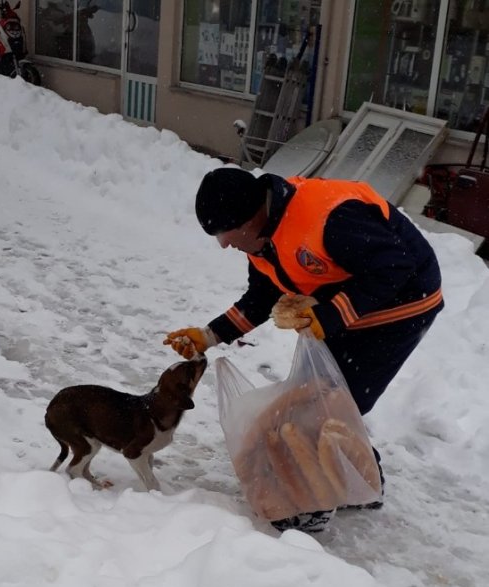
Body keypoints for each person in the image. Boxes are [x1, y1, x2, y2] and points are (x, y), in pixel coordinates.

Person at [164, 166, 444, 533]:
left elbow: (394, 268)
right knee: (316, 395)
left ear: (251, 217)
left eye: (226, 233)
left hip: (403, 304)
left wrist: (330, 316)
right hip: (346, 304)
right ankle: (359, 475)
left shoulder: (331, 219)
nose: (224, 244)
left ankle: (319, 501)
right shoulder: (262, 237)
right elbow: (262, 297)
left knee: (331, 402)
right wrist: (209, 335)